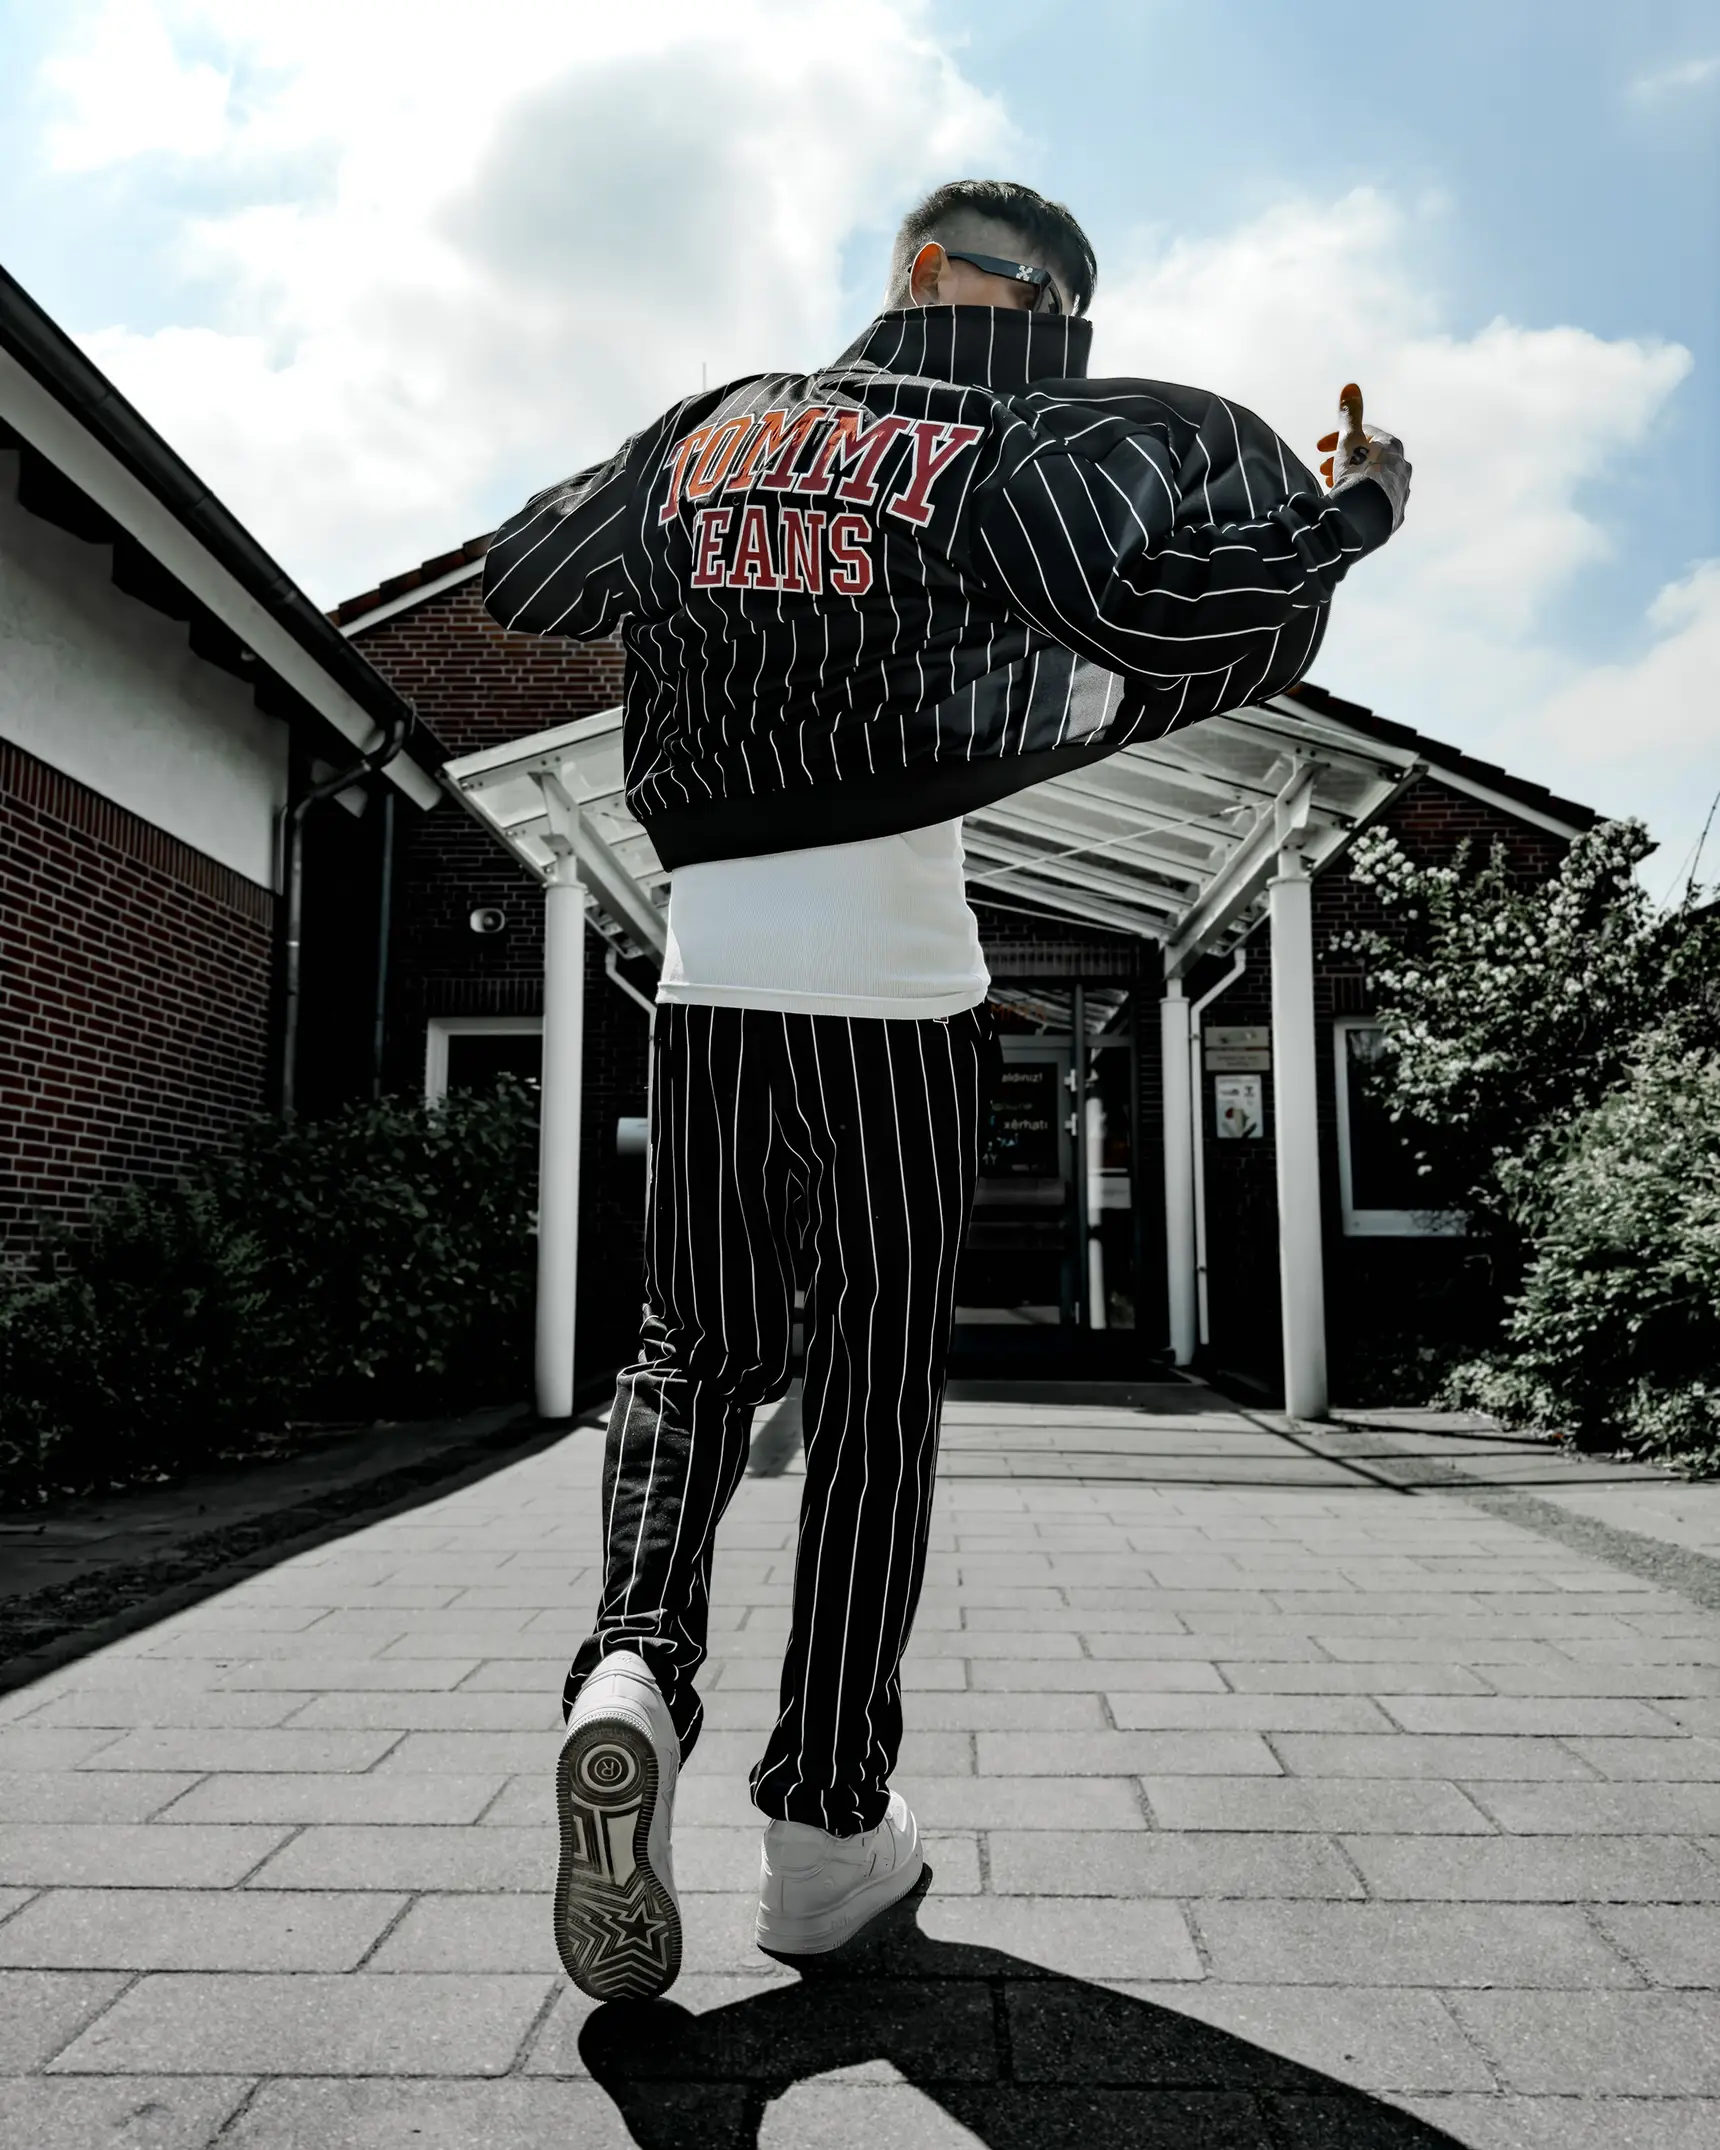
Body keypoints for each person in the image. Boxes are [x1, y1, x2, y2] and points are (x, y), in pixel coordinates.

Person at [483, 177, 1410, 2004]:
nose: (1066, 330)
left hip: (714, 972)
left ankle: (630, 1670)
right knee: (875, 1397)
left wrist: (693, 493)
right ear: (941, 274)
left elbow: (524, 574)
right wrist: (1357, 512)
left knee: (692, 1350)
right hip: (903, 988)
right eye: (1049, 293)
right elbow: (1206, 624)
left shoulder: (715, 428)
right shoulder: (1014, 454)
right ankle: (827, 1836)